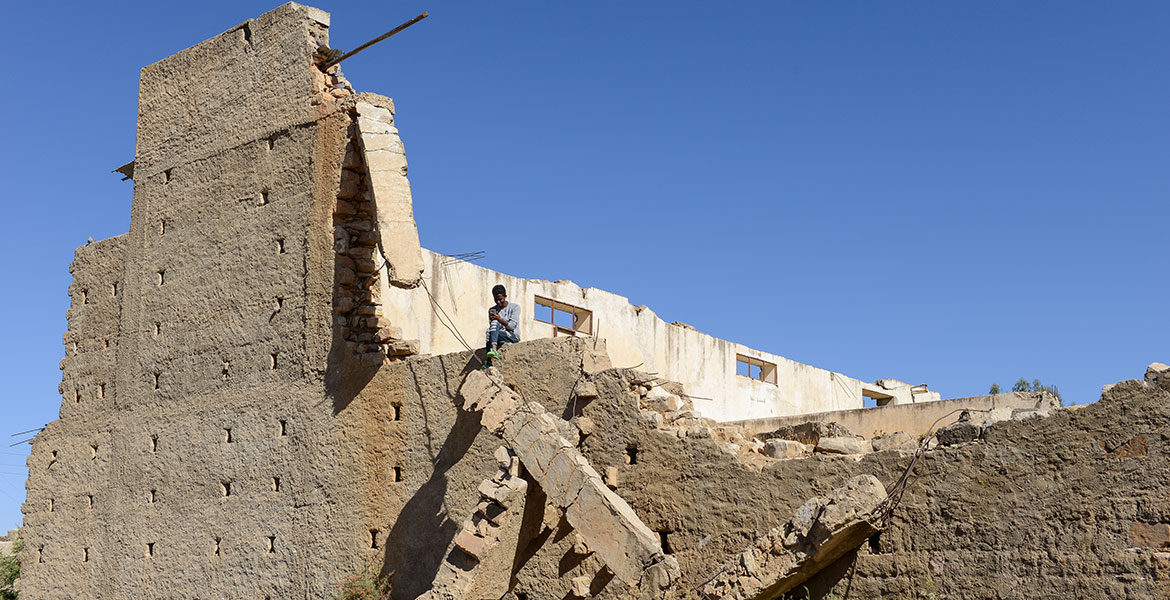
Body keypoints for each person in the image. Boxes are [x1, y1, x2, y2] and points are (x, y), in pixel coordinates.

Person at [484, 284, 520, 367]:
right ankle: (489, 360)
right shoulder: (492, 309)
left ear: (505, 296)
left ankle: (494, 350)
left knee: (495, 324)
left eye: (500, 299)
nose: (498, 302)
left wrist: (499, 319)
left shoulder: (515, 307)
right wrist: (492, 320)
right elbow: (493, 329)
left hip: (512, 336)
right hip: (498, 335)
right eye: (495, 300)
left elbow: (511, 327)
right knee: (489, 331)